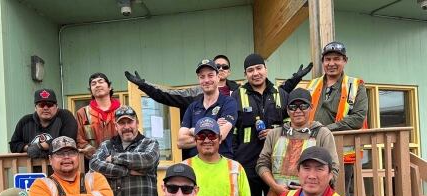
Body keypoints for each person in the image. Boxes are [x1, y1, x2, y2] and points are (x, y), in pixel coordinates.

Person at [231, 53, 288, 196]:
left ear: (266, 69)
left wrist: (275, 131)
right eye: (250, 70)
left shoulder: (281, 94)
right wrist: (236, 156)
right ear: (245, 74)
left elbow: (291, 124)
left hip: (276, 162)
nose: (255, 73)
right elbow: (233, 131)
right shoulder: (237, 96)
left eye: (258, 68)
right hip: (247, 161)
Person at [124, 58, 311, 118]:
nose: (221, 69)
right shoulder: (197, 93)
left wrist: (294, 80)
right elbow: (168, 95)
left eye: (225, 67)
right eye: (217, 67)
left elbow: (271, 93)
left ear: (229, 72)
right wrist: (144, 86)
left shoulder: (239, 92)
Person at [306, 41, 369, 196]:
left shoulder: (356, 85)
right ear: (323, 62)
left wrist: (326, 130)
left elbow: (358, 118)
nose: (331, 63)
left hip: (343, 153)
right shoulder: (312, 85)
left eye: (336, 59)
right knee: (314, 194)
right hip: (315, 150)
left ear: (345, 61)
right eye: (327, 60)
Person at [256, 88, 337, 196]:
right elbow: (262, 164)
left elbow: (334, 169)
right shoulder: (274, 134)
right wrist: (275, 186)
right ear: (287, 110)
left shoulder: (323, 134)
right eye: (293, 106)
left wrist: (309, 188)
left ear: (311, 107)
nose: (298, 110)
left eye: (303, 106)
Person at [177, 58, 238, 159]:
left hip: (221, 165)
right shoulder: (192, 107)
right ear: (199, 80)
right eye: (202, 77)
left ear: (218, 77)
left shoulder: (229, 103)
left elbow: (220, 135)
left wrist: (193, 131)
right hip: (196, 168)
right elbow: (180, 142)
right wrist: (213, 129)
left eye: (210, 75)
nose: (206, 80)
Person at [9, 89, 78, 158]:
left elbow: (67, 139)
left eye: (49, 105)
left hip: (62, 166)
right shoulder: (25, 121)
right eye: (41, 105)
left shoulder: (65, 116)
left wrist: (39, 146)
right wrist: (28, 148)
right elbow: (13, 145)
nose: (45, 108)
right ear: (35, 108)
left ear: (56, 107)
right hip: (35, 167)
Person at [75, 73, 121, 159]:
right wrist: (90, 150)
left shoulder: (123, 110)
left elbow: (131, 134)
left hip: (119, 161)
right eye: (93, 83)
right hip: (91, 163)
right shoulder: (82, 113)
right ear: (91, 90)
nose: (97, 85)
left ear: (109, 87)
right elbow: (78, 137)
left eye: (101, 81)